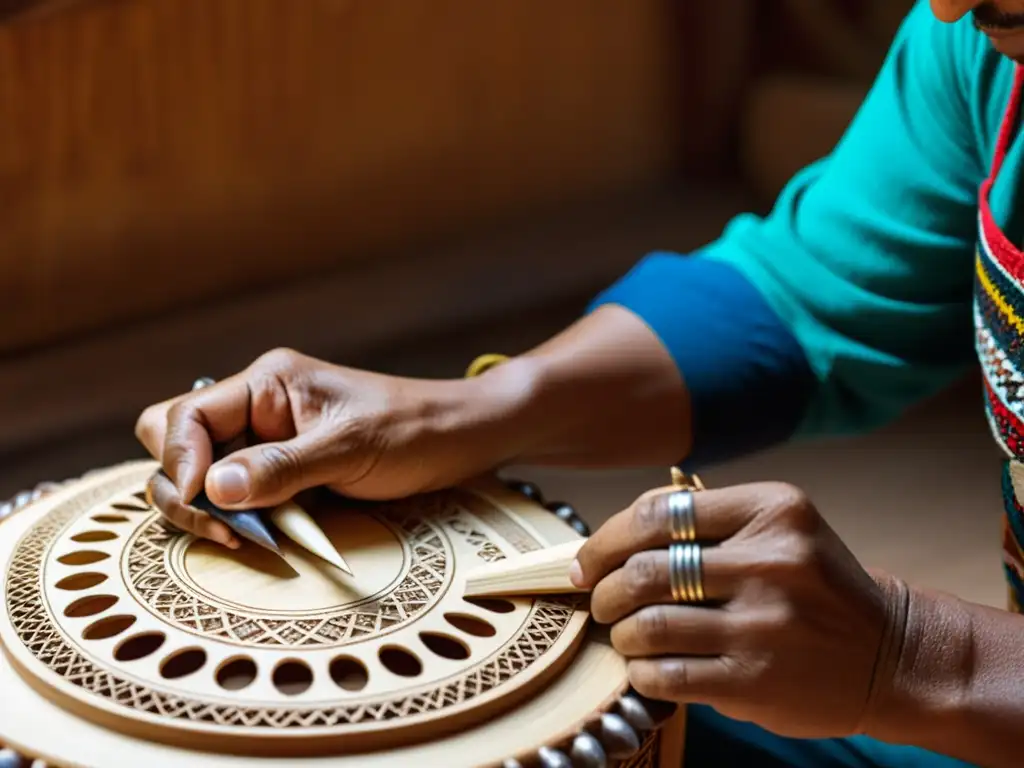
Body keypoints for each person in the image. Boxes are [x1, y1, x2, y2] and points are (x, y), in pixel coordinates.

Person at [133, 1, 1024, 765]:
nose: (948, 4)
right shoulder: (987, 46)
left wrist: (925, 661)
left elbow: (931, 673)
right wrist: (471, 411)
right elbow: (805, 293)